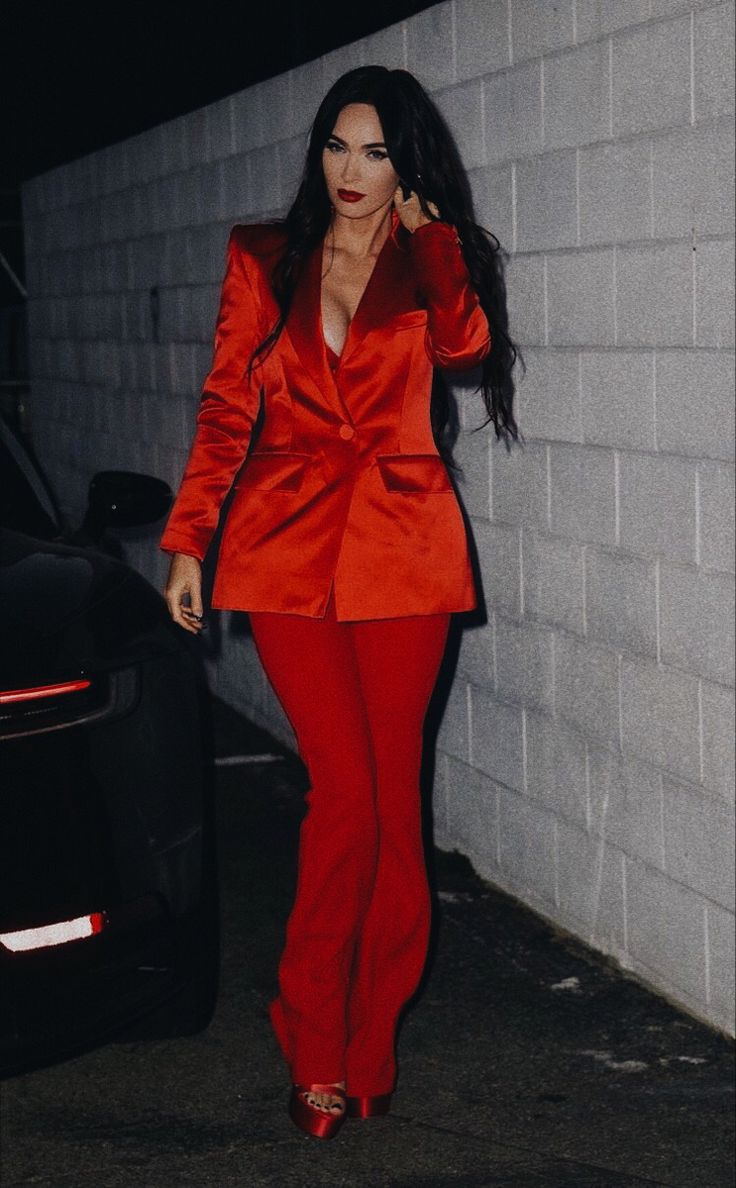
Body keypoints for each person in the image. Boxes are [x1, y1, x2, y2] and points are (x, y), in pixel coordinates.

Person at [160, 65, 519, 1140]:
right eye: (335, 145)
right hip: (281, 551)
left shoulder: (428, 260)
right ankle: (312, 1035)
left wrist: (435, 238)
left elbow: (463, 350)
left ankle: (371, 1045)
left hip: (405, 553)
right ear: (315, 152)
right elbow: (228, 403)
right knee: (343, 801)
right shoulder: (260, 257)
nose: (350, 171)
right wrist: (189, 537)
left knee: (391, 815)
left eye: (374, 151)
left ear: (404, 163)